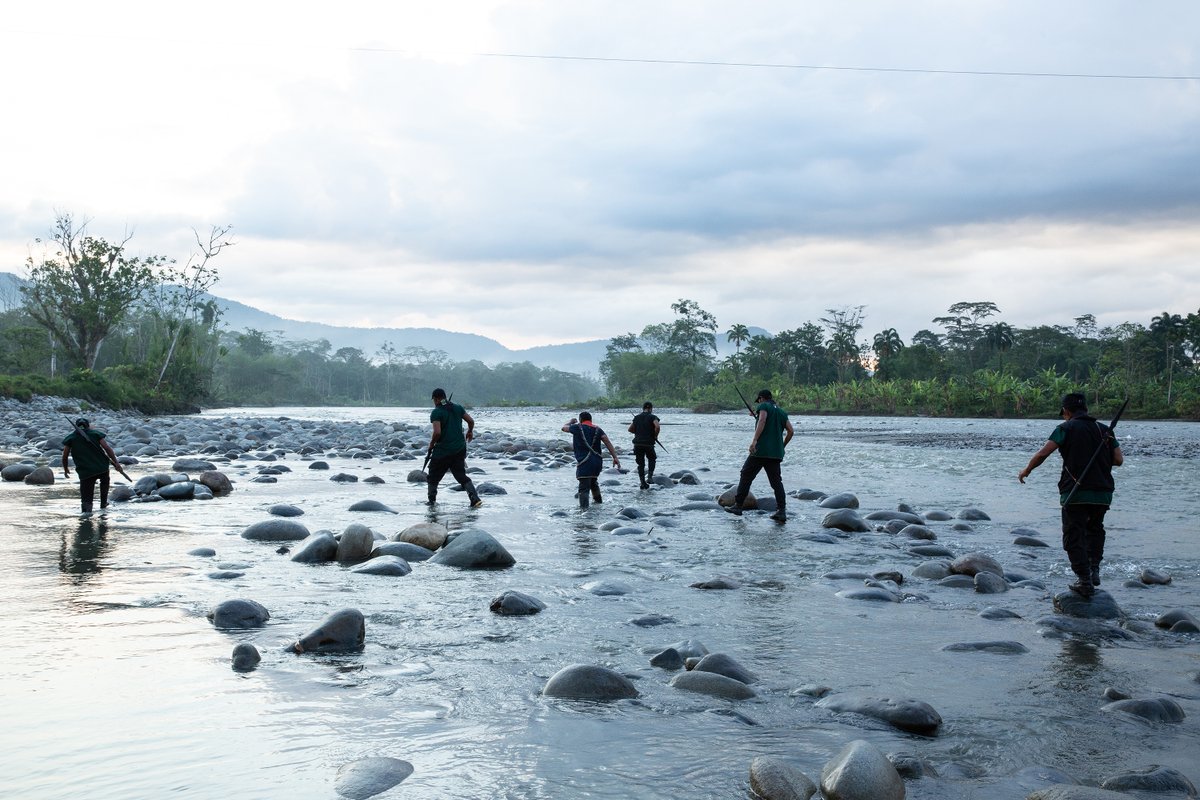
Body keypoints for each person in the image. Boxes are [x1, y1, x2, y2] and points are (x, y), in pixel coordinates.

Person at [1018, 392, 1123, 598]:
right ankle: (1093, 570)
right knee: (1095, 530)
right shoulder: (1104, 430)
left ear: (1066, 411)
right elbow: (1118, 460)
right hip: (1102, 493)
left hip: (1075, 491)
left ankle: (1084, 580)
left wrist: (1026, 470)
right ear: (1086, 410)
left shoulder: (1065, 428)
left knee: (1073, 535)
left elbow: (1043, 453)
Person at [726, 389, 794, 522]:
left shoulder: (763, 406)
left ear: (762, 399)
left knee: (746, 474)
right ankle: (781, 511)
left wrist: (754, 441)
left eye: (759, 401)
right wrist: (782, 446)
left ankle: (738, 506)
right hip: (775, 454)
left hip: (760, 451)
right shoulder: (781, 412)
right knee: (776, 483)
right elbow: (791, 431)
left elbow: (762, 420)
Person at [425, 388, 483, 508]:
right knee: (460, 475)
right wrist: (470, 432)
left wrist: (431, 444)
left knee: (433, 476)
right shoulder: (457, 407)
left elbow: (437, 433)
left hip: (443, 451)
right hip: (459, 448)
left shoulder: (437, 412)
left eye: (434, 400)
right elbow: (471, 421)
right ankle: (475, 499)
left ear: (436, 399)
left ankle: (431, 503)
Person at [61, 418, 122, 514]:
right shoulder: (96, 434)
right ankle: (103, 504)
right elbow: (107, 448)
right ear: (88, 426)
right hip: (102, 468)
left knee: (86, 500)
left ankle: (87, 512)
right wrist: (116, 463)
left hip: (85, 472)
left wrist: (65, 469)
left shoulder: (71, 438)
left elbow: (65, 457)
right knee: (105, 482)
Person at [562, 411, 621, 509]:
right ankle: (598, 506)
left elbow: (564, 428)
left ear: (580, 420)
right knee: (594, 483)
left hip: (584, 462)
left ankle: (584, 513)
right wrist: (615, 457)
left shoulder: (577, 427)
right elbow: (607, 441)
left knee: (584, 488)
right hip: (597, 462)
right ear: (591, 420)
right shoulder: (598, 429)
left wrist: (570, 422)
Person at [628, 401, 661, 489]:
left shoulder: (637, 417)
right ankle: (649, 477)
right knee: (652, 458)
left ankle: (642, 483)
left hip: (637, 443)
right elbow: (657, 427)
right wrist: (655, 436)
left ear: (643, 408)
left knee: (640, 464)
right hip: (648, 443)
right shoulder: (653, 417)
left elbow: (630, 429)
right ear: (650, 408)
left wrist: (639, 432)